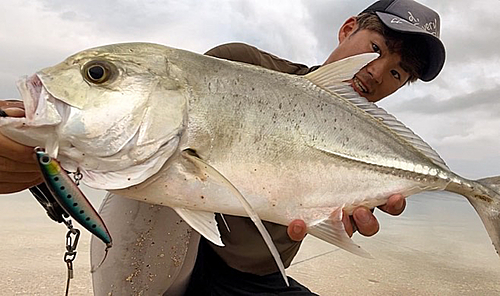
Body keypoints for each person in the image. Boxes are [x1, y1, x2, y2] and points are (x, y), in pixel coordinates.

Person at [0, 0, 444, 295]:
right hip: (175, 258)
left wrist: (338, 210)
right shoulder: (241, 64)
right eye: (375, 49)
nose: (378, 72)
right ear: (348, 29)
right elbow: (140, 127)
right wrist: (44, 144)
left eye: (399, 74)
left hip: (256, 278)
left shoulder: (366, 133)